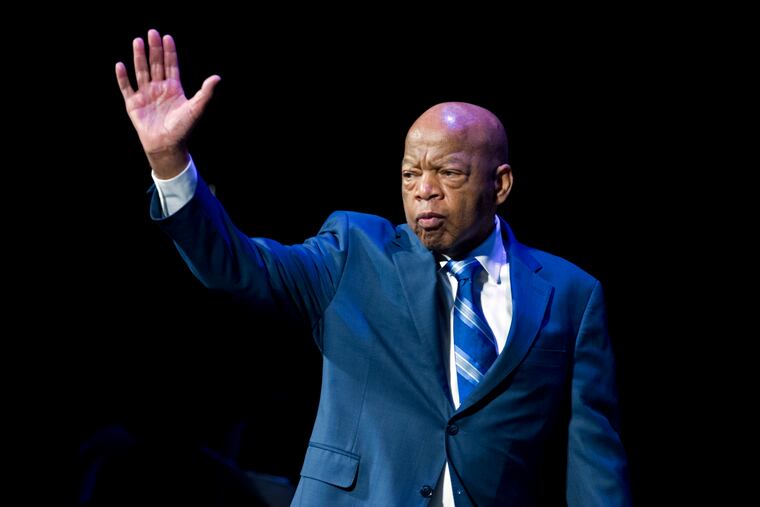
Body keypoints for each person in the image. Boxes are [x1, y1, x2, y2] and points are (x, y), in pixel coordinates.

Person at [116, 29, 632, 507]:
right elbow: (237, 266)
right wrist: (169, 161)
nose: (423, 189)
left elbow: (593, 459)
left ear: (500, 185)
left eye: (448, 172)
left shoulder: (571, 294)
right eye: (411, 173)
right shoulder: (353, 251)